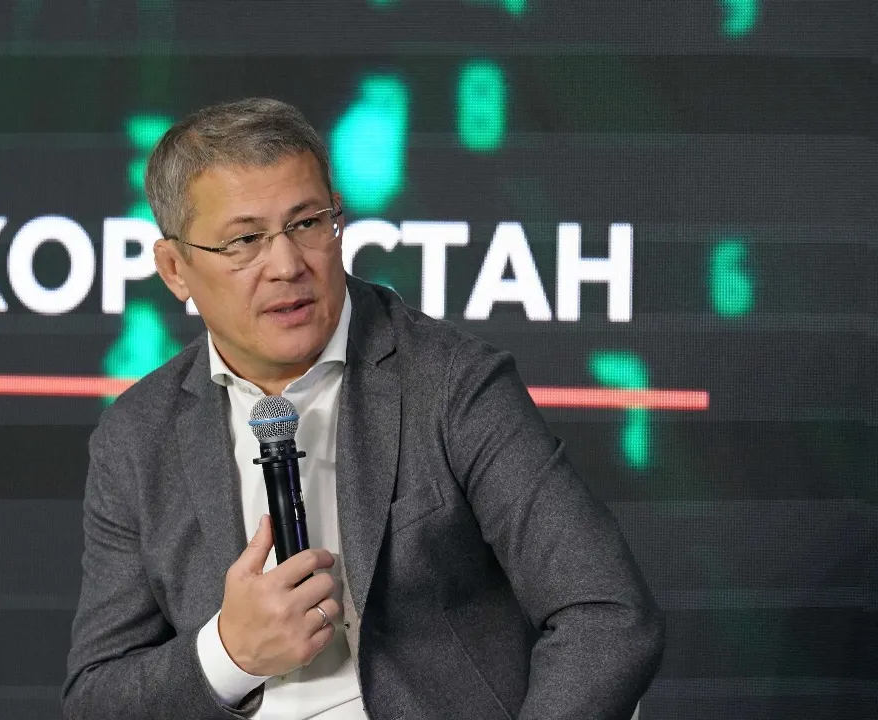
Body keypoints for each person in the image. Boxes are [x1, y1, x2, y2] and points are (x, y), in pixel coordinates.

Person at [62, 97, 664, 720]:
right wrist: (228, 655)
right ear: (175, 268)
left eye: (307, 223)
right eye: (245, 240)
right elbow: (97, 698)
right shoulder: (137, 436)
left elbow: (607, 614)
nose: (287, 265)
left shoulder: (451, 383)